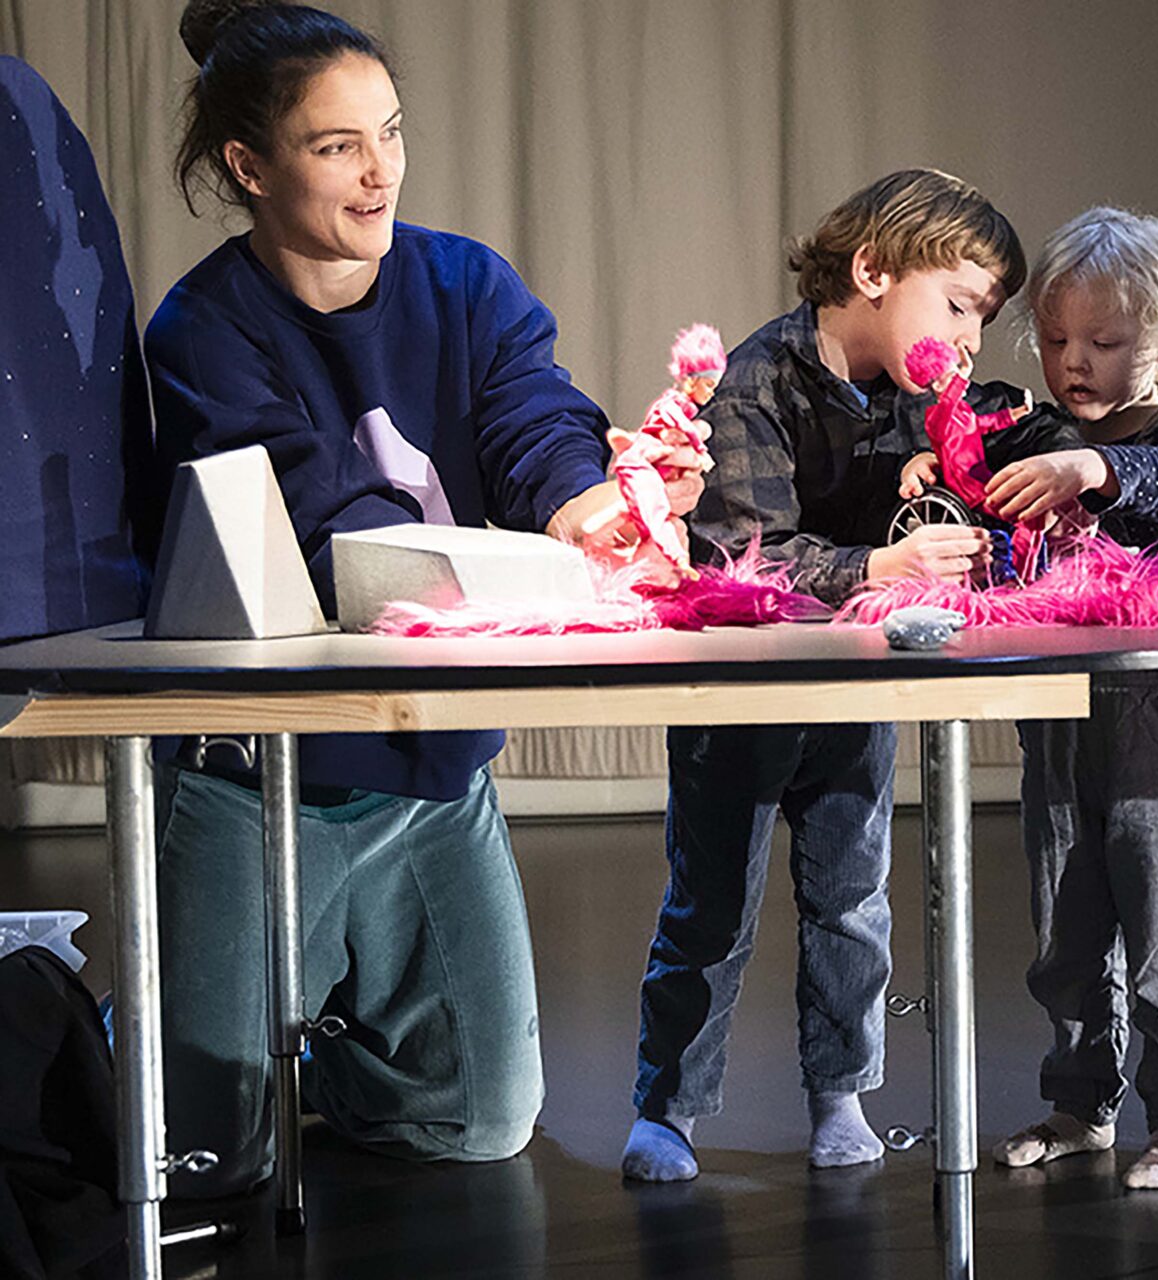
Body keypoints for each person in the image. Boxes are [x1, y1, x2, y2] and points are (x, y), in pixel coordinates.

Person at [141, 0, 685, 1195]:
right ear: (250, 165)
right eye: (339, 145)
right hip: (263, 776)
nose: (380, 168)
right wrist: (515, 574)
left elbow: (534, 414)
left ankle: (335, 1047)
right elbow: (326, 519)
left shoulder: (466, 282)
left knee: (483, 1120)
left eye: (389, 131)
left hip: (431, 772)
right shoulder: (201, 330)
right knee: (205, 1157)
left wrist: (586, 504)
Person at [621, 168, 1086, 1181]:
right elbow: (740, 555)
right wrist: (874, 568)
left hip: (856, 686)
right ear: (873, 270)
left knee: (850, 894)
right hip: (739, 687)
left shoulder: (935, 400)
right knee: (711, 902)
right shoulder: (755, 380)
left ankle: (842, 1088)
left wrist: (1056, 464)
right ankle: (668, 1104)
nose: (968, 338)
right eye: (958, 304)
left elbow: (1019, 429)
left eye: (983, 317)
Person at [913, 207, 1158, 1190]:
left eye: (1105, 342)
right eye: (1056, 339)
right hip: (1058, 715)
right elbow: (970, 480)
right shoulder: (1034, 431)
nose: (1074, 362)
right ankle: (1080, 1100)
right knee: (1064, 929)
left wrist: (1092, 469)